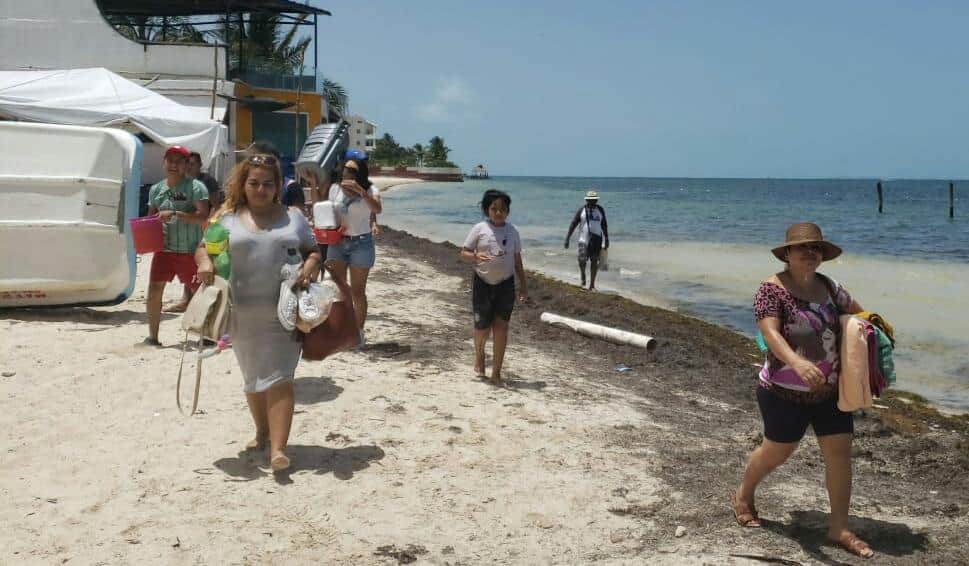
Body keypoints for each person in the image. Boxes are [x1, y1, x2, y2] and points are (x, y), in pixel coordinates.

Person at [733, 222, 873, 559]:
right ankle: (743, 494)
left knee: (839, 456)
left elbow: (859, 315)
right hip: (783, 392)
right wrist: (796, 362)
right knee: (776, 453)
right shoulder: (771, 289)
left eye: (816, 249)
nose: (811, 253)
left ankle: (839, 526)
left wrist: (875, 332)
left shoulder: (831, 288)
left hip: (830, 393)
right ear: (788, 254)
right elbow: (769, 333)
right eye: (803, 248)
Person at [195, 153, 321, 473]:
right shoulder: (226, 218)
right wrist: (205, 263)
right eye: (254, 183)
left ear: (278, 186)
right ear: (243, 184)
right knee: (253, 379)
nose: (261, 189)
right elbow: (203, 248)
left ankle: (278, 449)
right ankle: (262, 432)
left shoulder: (294, 217)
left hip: (284, 311)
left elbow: (314, 252)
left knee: (280, 377)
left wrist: (309, 266)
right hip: (240, 313)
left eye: (268, 183)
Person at [460, 189, 528, 385]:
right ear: (486, 210)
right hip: (483, 283)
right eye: (494, 208)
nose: (499, 212)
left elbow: (517, 260)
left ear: (508, 211)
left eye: (503, 209)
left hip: (506, 284)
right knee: (482, 329)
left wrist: (523, 285)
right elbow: (463, 253)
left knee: (501, 328)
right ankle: (480, 355)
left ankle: (496, 372)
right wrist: (474, 257)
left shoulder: (512, 231)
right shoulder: (480, 228)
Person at [144, 145, 209, 345]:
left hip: (190, 250)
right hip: (164, 250)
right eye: (170, 160)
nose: (174, 165)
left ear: (185, 165)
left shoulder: (196, 188)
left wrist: (176, 214)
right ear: (164, 163)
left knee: (200, 293)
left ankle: (206, 336)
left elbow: (203, 217)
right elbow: (150, 220)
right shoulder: (156, 189)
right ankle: (153, 337)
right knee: (154, 291)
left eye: (179, 161)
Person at [324, 152, 382, 341]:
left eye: (351, 172)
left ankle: (358, 332)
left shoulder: (371, 190)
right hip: (338, 242)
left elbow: (377, 209)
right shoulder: (335, 189)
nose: (346, 176)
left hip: (361, 244)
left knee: (358, 290)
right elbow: (327, 210)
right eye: (345, 171)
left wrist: (361, 191)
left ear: (360, 175)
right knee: (338, 288)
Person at [564, 190, 609, 290]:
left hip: (597, 240)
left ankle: (592, 284)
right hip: (583, 240)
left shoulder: (600, 210)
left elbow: (604, 225)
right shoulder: (582, 210)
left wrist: (606, 239)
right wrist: (567, 238)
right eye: (591, 200)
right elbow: (573, 224)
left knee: (594, 262)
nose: (593, 202)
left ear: (597, 200)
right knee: (582, 260)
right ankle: (583, 274)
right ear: (587, 200)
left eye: (594, 200)